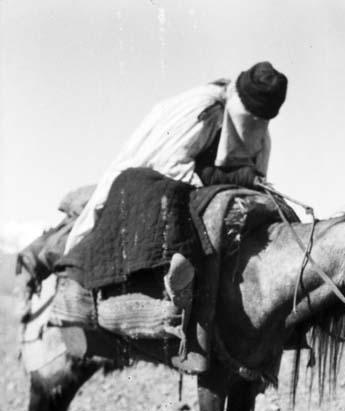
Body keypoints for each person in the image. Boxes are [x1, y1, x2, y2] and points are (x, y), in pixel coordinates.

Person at [17, 61, 288, 372]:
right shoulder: (204, 110)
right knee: (128, 219)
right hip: (150, 182)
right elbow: (171, 166)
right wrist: (231, 179)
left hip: (193, 188)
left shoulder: (258, 134)